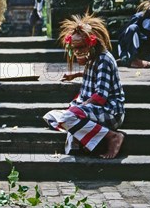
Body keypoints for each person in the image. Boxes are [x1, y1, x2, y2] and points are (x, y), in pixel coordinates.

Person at [43, 13, 125, 159]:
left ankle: (113, 137)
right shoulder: (92, 58)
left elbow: (100, 96)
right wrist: (75, 75)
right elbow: (94, 75)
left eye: (80, 47)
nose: (77, 52)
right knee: (51, 117)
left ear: (92, 43)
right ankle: (84, 137)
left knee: (69, 117)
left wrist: (81, 107)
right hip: (92, 110)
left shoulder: (104, 59)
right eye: (74, 48)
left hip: (110, 112)